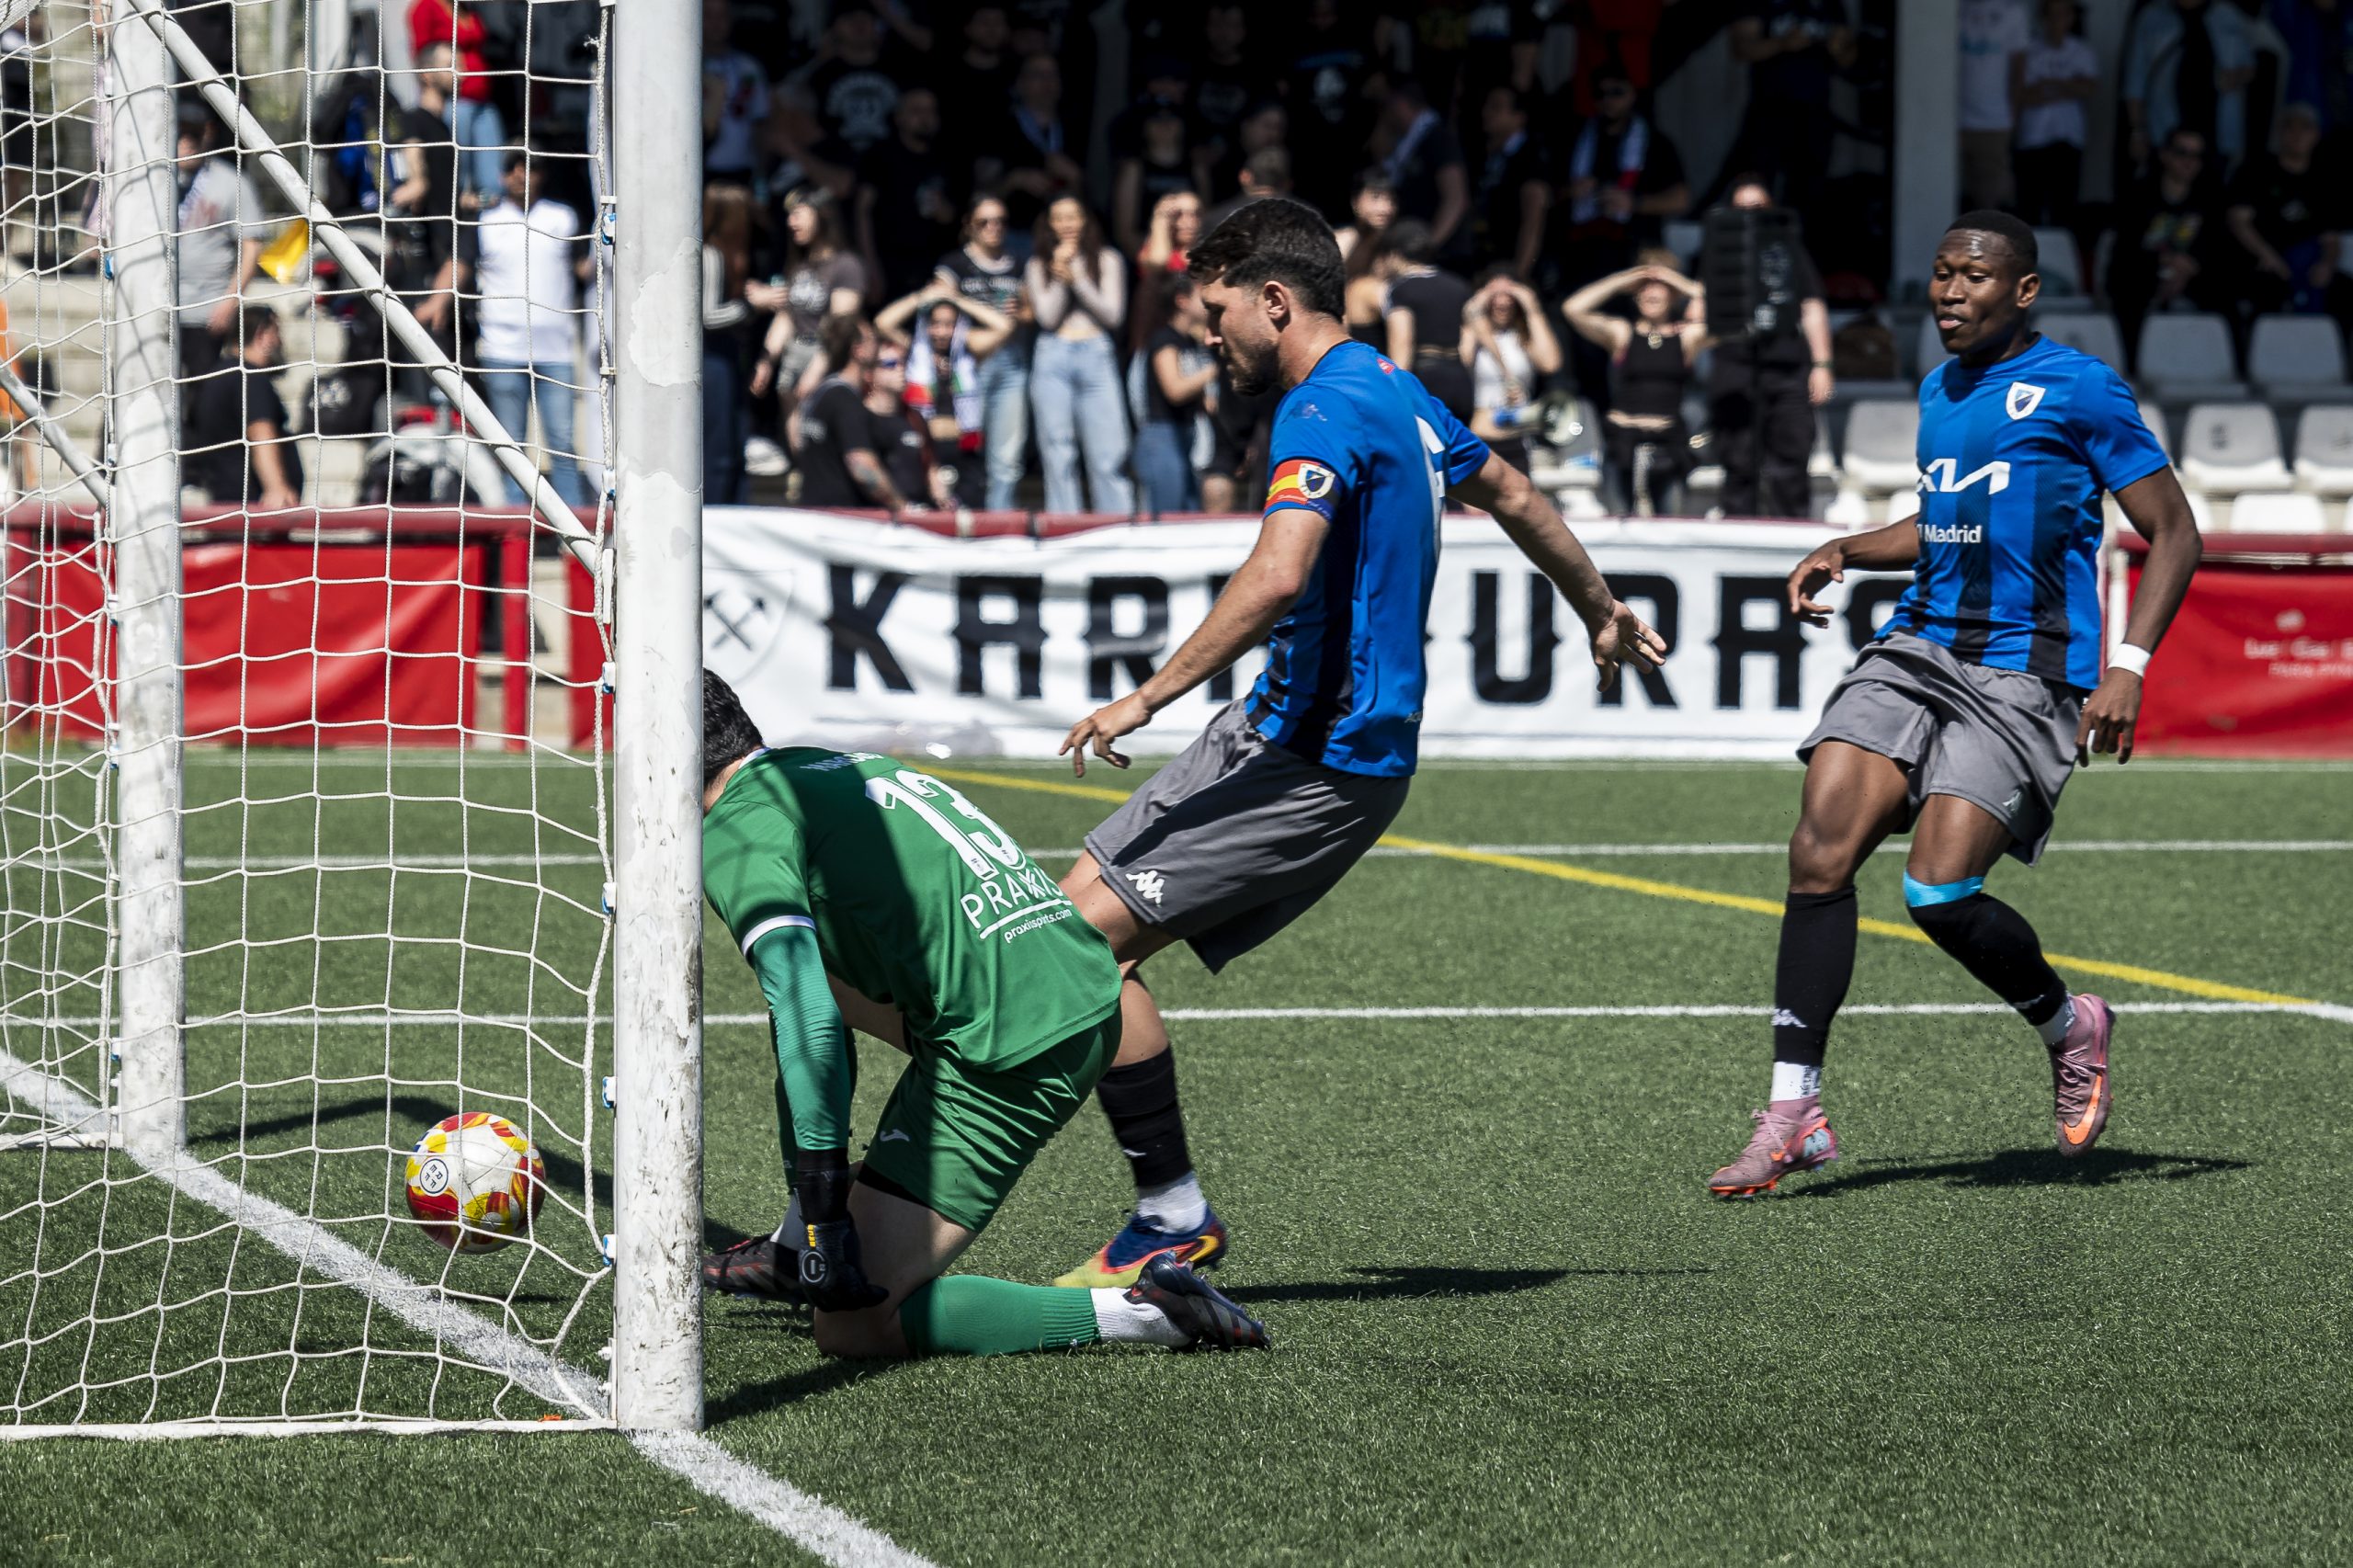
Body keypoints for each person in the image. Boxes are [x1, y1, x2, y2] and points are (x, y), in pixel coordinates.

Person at [1047, 197, 1667, 1287]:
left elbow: (1277, 572)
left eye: (1216, 313)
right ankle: (1155, 1207)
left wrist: (1143, 698)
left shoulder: (1322, 405)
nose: (1207, 334)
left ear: (1273, 301)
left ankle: (1164, 1214)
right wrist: (1595, 606)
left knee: (1073, 956)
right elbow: (1515, 493)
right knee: (1061, 936)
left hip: (1318, 761)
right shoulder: (1391, 384)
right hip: (1272, 731)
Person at [1705, 212, 2202, 1198]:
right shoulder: (1939, 387)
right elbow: (1943, 521)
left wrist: (2130, 665)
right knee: (1817, 853)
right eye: (1940, 273)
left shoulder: (2081, 387)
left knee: (1936, 894)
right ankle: (1793, 1112)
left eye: (1972, 276)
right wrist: (1848, 548)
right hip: (1918, 646)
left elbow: (2175, 531)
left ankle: (2069, 1025)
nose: (1949, 291)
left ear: (2023, 290)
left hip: (2025, 672)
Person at [695, 674, 1267, 1357]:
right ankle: (792, 1244)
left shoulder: (735, 832)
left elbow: (806, 1014)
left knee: (853, 1327)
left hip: (1016, 1046)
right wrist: (810, 1223)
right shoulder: (815, 765)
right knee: (818, 974)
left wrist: (826, 1212)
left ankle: (1150, 1311)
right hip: (1066, 980)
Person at [1704, 177, 1835, 518]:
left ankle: (1792, 534)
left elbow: (1811, 306)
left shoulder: (1788, 248)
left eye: (1759, 208)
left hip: (1786, 365)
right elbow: (1697, 307)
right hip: (1735, 365)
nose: (1751, 215)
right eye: (1742, 209)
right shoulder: (1715, 249)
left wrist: (1822, 365)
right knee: (1738, 461)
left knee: (1791, 458)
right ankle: (1738, 532)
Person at [468, 155, 591, 507]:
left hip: (556, 350)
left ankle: (572, 527)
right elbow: (462, 269)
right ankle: (515, 528)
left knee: (562, 443)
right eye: (513, 168)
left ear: (542, 175)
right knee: (511, 446)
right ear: (502, 175)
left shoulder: (563, 217)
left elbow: (585, 269)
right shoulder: (484, 220)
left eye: (530, 168)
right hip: (502, 350)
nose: (521, 175)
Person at [1562, 261, 1704, 515]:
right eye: (1644, 287)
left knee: (1671, 526)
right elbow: (1572, 308)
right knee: (1619, 523)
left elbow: (1731, 317)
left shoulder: (1686, 337)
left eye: (1658, 287)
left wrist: (1679, 282)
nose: (1650, 292)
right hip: (1623, 443)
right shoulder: (1623, 333)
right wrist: (1622, 279)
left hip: (1667, 446)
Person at [1024, 197, 1133, 514]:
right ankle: (1065, 525)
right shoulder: (1037, 264)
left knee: (1110, 450)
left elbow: (1113, 314)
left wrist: (1078, 278)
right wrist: (1060, 276)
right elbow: (1047, 318)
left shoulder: (1108, 259)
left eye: (1073, 217)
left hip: (1096, 351)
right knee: (1058, 450)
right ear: (1049, 225)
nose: (1067, 224)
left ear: (1085, 221)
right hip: (1053, 354)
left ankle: (1117, 524)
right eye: (1059, 218)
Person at [1548, 64, 1688, 295]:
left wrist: (1633, 203)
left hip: (1635, 253)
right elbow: (1545, 195)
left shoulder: (1656, 143)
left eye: (1617, 92)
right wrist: (1570, 191)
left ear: (1633, 94)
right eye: (1600, 94)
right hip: (1580, 254)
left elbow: (1681, 199)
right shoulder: (1574, 138)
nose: (1608, 101)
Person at [879, 283, 1014, 509]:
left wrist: (958, 300)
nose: (941, 332)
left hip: (964, 451)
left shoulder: (969, 354)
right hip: (925, 451)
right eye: (935, 324)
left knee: (968, 514)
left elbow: (1004, 326)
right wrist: (920, 297)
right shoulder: (914, 351)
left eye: (949, 325)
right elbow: (883, 323)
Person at [1726, 0, 1854, 239]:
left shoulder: (1829, 5)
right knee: (1755, 192)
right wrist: (1782, 43)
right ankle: (1754, 251)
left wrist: (1839, 47)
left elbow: (1848, 56)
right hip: (1768, 112)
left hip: (1814, 113)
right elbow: (1741, 48)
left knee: (1809, 196)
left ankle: (1800, 254)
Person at [935, 197, 1030, 511]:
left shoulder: (1019, 264)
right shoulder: (954, 265)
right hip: (967, 365)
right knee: (965, 448)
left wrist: (1021, 313)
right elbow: (938, 306)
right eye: (984, 222)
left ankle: (999, 523)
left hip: (1011, 364)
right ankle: (965, 517)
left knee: (1007, 459)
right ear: (969, 226)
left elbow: (1032, 312)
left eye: (1000, 221)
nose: (993, 228)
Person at [2107, 126, 2230, 360]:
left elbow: (2218, 246)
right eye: (2182, 153)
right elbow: (2125, 248)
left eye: (2196, 156)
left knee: (2225, 292)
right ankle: (2131, 364)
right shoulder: (2139, 193)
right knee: (2129, 288)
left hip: (2194, 274)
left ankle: (2221, 364)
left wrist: (2189, 266)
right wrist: (2163, 262)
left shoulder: (2211, 197)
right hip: (2143, 272)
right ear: (2165, 155)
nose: (2189, 162)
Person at [753, 187, 869, 418]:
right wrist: (767, 361)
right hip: (794, 357)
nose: (791, 222)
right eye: (789, 215)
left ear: (822, 215)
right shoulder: (799, 265)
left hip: (826, 362)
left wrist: (816, 369)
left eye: (798, 214)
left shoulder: (846, 265)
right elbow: (787, 316)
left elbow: (840, 324)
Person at [2225, 103, 2345, 318]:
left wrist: (2326, 264)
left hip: (2306, 264)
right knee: (2266, 288)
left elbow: (2331, 238)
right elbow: (2238, 221)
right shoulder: (2256, 169)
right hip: (2262, 261)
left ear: (2316, 135)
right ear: (2280, 132)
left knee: (2343, 290)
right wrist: (2270, 258)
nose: (2297, 135)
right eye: (2290, 127)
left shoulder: (2324, 180)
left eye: (2305, 128)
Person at [174, 106, 267, 377]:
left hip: (207, 313)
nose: (187, 141)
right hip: (159, 308)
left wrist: (230, 300)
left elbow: (251, 246)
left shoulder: (231, 182)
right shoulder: (154, 181)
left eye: (194, 133)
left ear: (208, 134)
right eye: (181, 133)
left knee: (202, 389)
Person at [181, 308, 301, 511]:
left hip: (223, 502)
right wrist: (276, 487)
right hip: (253, 508)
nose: (280, 342)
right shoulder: (250, 378)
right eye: (277, 333)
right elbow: (260, 432)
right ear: (262, 335)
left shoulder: (214, 376)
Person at [2122, 0, 2255, 175]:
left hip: (2216, 128)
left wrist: (2234, 78)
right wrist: (2137, 130)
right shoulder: (2152, 16)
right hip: (2165, 128)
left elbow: (2249, 66)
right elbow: (2135, 81)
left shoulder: (2227, 15)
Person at [856, 87, 960, 305]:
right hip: (890, 263)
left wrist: (944, 210)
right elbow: (863, 211)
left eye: (931, 111)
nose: (925, 118)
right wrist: (870, 264)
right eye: (917, 111)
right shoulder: (881, 156)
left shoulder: (948, 156)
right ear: (899, 117)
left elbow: (957, 215)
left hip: (936, 264)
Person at [794, 314, 906, 510]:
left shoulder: (821, 393)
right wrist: (901, 506)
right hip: (840, 517)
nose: (878, 345)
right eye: (872, 339)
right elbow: (862, 466)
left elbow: (797, 442)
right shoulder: (846, 402)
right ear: (858, 350)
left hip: (813, 511)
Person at [1461, 269, 1563, 476]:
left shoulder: (1521, 337)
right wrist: (1478, 305)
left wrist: (1532, 309)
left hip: (1518, 437)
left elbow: (1551, 364)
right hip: (1481, 435)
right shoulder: (1473, 334)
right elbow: (1462, 361)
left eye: (1509, 295)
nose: (1502, 302)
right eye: (1495, 295)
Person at [2009, 0, 2098, 229]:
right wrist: (2068, 86)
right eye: (2052, 15)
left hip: (2069, 136)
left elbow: (2088, 88)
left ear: (2071, 18)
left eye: (2062, 14)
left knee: (2064, 208)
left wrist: (2049, 84)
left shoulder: (2081, 51)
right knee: (2030, 208)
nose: (2057, 21)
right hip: (2033, 137)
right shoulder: (2029, 50)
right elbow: (2023, 93)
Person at [406, 0, 505, 204]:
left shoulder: (466, 7)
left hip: (483, 100)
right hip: (457, 103)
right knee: (459, 177)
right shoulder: (426, 7)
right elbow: (422, 56)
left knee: (493, 179)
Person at [1133, 272, 1217, 514]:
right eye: (1201, 296)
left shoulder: (1189, 342)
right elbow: (1175, 390)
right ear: (1182, 301)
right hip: (1161, 436)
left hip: (1185, 435)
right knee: (1166, 518)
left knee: (1188, 515)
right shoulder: (1164, 340)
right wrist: (1212, 372)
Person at [1381, 220, 1475, 426]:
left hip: (1426, 379)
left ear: (1394, 255)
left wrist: (1397, 389)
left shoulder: (1401, 290)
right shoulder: (1459, 286)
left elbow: (1402, 342)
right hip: (1459, 377)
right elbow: (1469, 338)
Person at [701, 183, 760, 505]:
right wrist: (751, 306)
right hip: (713, 361)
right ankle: (716, 513)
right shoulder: (710, 255)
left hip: (727, 358)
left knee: (735, 444)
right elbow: (708, 316)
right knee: (719, 449)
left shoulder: (728, 254)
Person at [1370, 79, 1469, 266]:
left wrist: (1429, 247)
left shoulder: (1437, 138)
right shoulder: (1404, 142)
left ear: (1400, 103)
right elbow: (1379, 158)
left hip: (1442, 257)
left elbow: (1455, 199)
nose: (1384, 113)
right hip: (1411, 251)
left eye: (1386, 106)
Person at [1958, 0, 2030, 211]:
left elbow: (2019, 68)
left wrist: (2012, 115)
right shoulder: (1955, 7)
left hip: (1993, 120)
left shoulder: (2013, 11)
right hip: (1952, 119)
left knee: (1989, 201)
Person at [1473, 85, 1550, 283]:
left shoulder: (1530, 157)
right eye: (1487, 106)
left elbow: (1533, 223)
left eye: (1497, 107)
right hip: (1488, 258)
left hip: (1512, 269)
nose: (1486, 113)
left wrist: (1518, 277)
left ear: (1519, 117)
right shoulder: (1489, 154)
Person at [861, 336, 944, 508]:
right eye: (891, 364)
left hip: (919, 511)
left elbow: (931, 466)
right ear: (869, 374)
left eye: (903, 362)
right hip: (875, 514)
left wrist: (942, 497)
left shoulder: (914, 419)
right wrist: (902, 506)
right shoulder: (860, 418)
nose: (901, 369)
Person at [699, 0, 772, 185]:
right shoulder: (686, 70)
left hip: (742, 171)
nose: (715, 23)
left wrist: (761, 176)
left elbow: (761, 123)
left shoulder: (748, 68)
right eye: (708, 15)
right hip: (699, 170)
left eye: (722, 15)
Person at [1335, 169, 1397, 347]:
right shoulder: (1342, 241)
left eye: (1391, 200)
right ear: (1355, 202)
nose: (1385, 208)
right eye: (1375, 198)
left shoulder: (1394, 247)